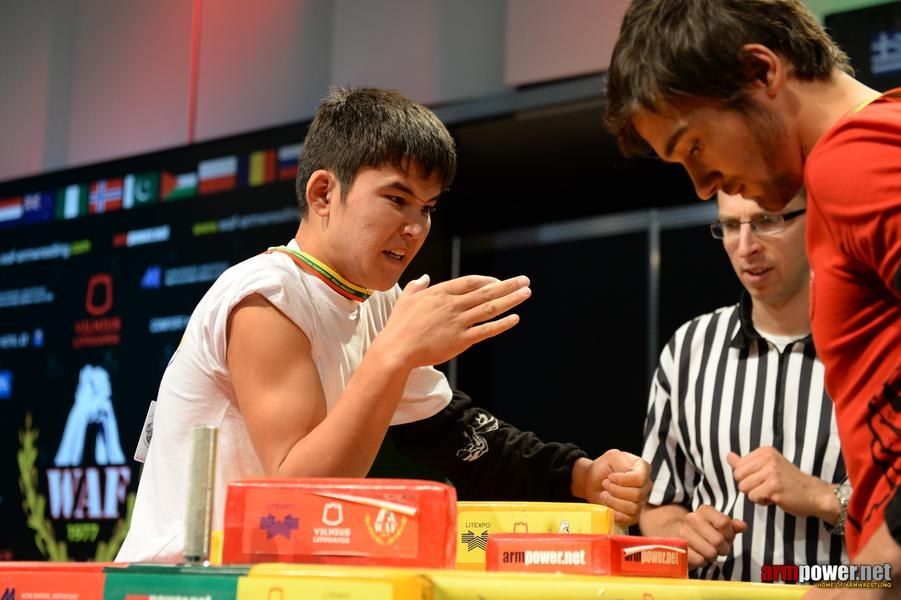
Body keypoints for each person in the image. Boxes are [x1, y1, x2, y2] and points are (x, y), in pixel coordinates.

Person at [117, 87, 650, 562]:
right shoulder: (267, 296)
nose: (415, 227)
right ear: (323, 194)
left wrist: (581, 475)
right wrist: (393, 354)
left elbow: (452, 432)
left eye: (427, 207)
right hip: (180, 581)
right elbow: (295, 494)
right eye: (397, 199)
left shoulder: (378, 302)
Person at [604, 0, 899, 574]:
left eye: (694, 146)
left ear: (761, 71)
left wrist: (880, 567)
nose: (702, 186)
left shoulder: (854, 161)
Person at [641, 189, 847, 581]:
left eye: (768, 221)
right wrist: (680, 531)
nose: (746, 246)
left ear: (817, 220)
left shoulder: (877, 346)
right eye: (731, 225)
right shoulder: (688, 349)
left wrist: (824, 497)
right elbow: (659, 502)